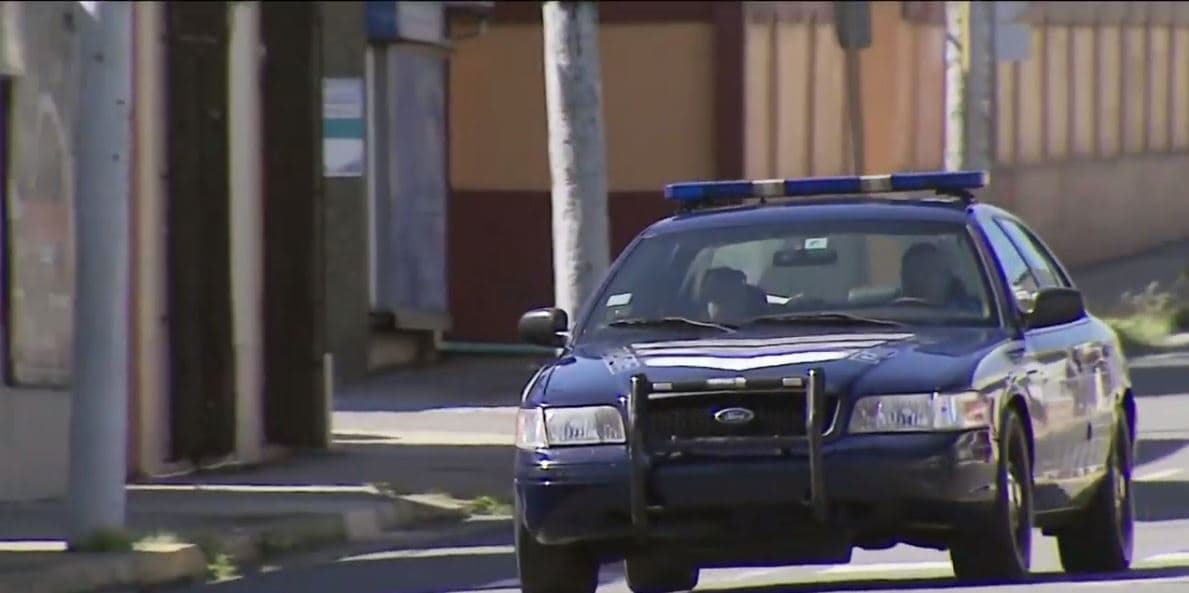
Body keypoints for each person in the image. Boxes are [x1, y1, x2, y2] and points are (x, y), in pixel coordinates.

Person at [900, 242, 971, 308]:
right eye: (912, 274)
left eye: (927, 274)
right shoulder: (892, 311)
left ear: (946, 278)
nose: (918, 280)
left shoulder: (969, 312)